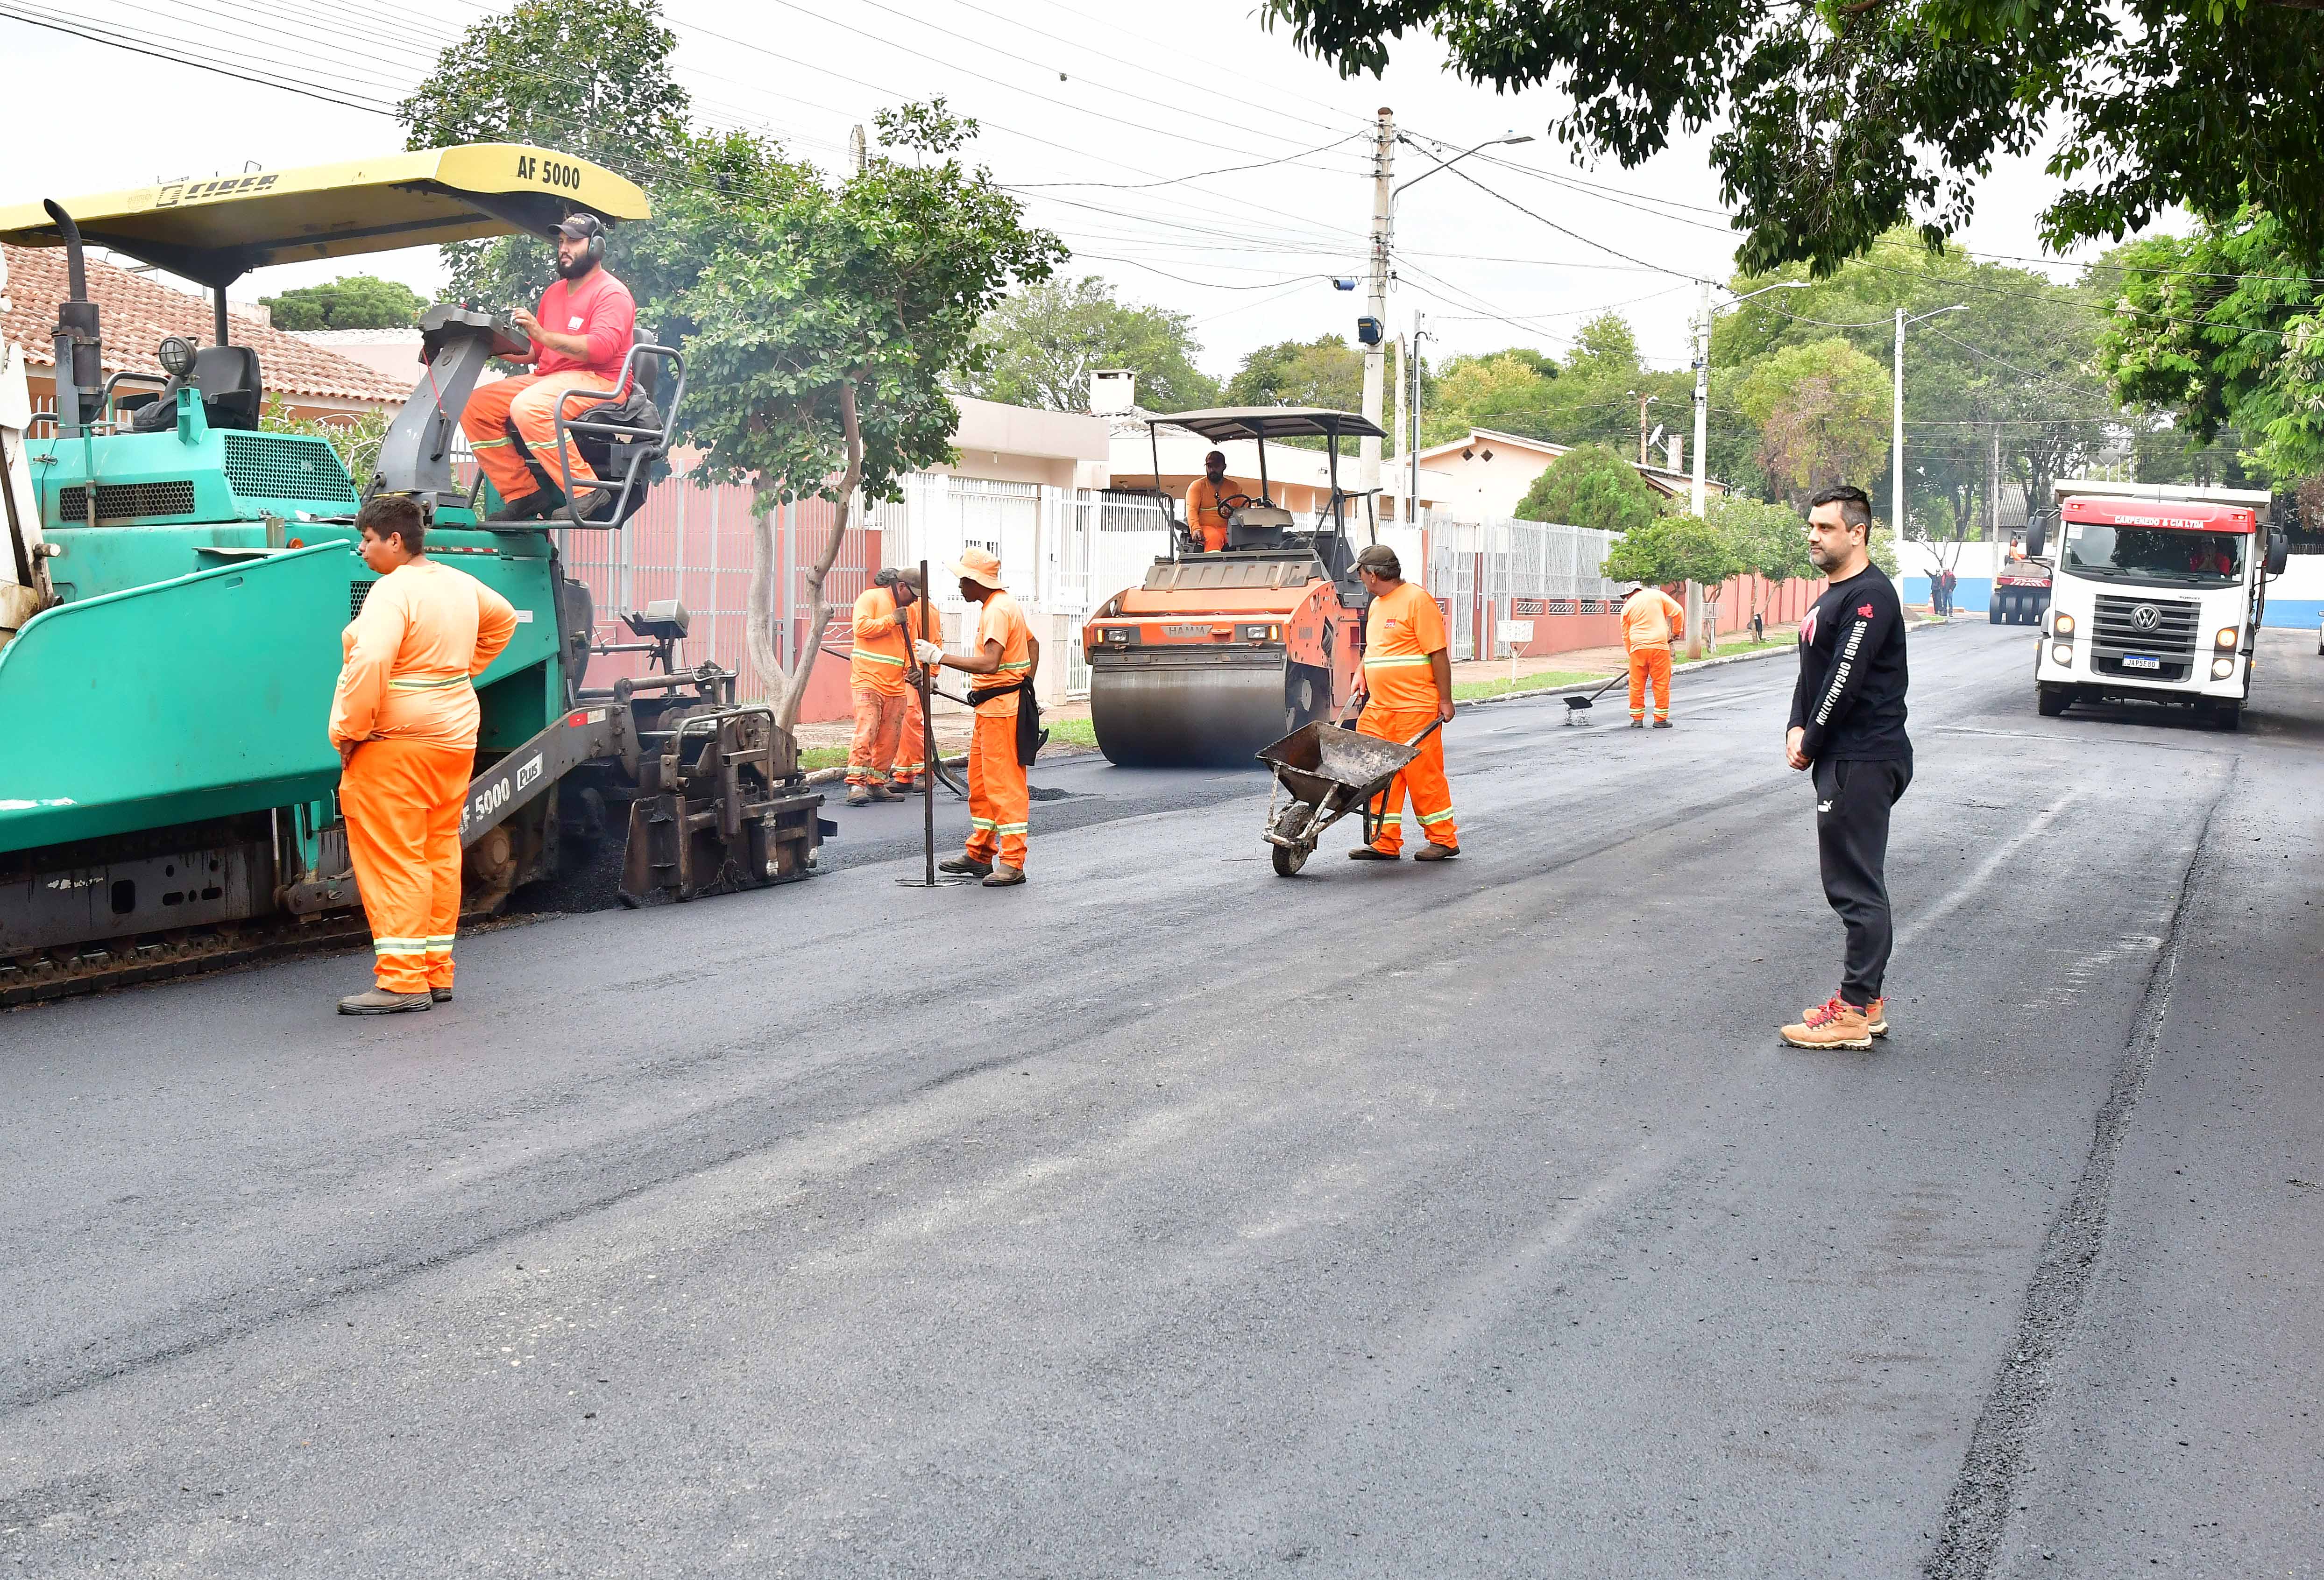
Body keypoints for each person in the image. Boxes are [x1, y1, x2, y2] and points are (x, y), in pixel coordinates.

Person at [329, 495, 518, 1015]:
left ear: (395, 540)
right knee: (438, 850)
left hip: (395, 743)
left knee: (396, 857)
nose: (361, 548)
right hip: (454, 736)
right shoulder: (458, 582)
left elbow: (369, 661)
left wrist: (349, 731)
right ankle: (435, 973)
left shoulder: (392, 592)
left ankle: (401, 983)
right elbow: (503, 620)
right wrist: (458, 672)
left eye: (368, 539)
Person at [1781, 484, 1912, 1051]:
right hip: (1845, 754)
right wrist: (1793, 724)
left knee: (1854, 885)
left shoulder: (1869, 597)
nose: (1813, 535)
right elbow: (1811, 671)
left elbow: (1844, 679)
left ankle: (1854, 1012)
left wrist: (1810, 739)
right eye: (1811, 526)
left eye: (1825, 527)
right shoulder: (1832, 596)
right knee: (1856, 878)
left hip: (1861, 756)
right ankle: (1869, 1001)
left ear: (1857, 533)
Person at [458, 212, 638, 523]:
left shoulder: (612, 293)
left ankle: (586, 492)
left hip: (601, 380)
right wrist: (488, 348)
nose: (564, 248)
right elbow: (535, 352)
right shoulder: (554, 293)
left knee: (529, 407)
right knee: (475, 406)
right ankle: (523, 494)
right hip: (551, 378)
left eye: (573, 242)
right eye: (561, 242)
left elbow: (601, 348)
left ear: (596, 247)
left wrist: (542, 334)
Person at [921, 548, 1039, 887]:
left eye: (963, 579)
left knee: (1004, 788)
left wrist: (940, 656)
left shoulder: (998, 611)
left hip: (1002, 712)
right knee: (982, 785)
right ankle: (980, 854)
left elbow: (990, 663)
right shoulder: (999, 606)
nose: (959, 585)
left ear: (976, 582)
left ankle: (1013, 862)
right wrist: (1025, 684)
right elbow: (1034, 645)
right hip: (991, 710)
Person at [1347, 543, 1459, 862]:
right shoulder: (1377, 605)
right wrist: (1361, 671)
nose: (1361, 579)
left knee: (1424, 775)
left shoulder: (1417, 601)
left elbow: (1438, 654)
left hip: (1415, 706)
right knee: (1378, 773)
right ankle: (1385, 841)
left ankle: (1444, 839)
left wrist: (1446, 700)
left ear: (1373, 574)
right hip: (1380, 706)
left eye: (1362, 573)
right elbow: (1376, 649)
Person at [844, 568, 924, 806]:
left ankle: (876, 783)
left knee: (890, 738)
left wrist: (914, 669)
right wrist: (892, 620)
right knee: (867, 731)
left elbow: (907, 645)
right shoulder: (870, 599)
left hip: (895, 685)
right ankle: (856, 785)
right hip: (868, 680)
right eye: (913, 594)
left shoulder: (909, 612)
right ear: (901, 587)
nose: (916, 599)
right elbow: (862, 629)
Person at [1621, 579, 1686, 728]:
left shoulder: (1627, 608)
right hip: (1659, 647)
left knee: (1637, 684)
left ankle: (1637, 719)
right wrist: (1676, 632)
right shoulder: (1658, 595)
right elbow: (1679, 612)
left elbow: (1625, 635)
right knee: (1661, 683)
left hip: (1638, 648)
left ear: (1630, 594)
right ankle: (1660, 719)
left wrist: (1632, 653)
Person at [1184, 451, 1238, 552]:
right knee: (1214, 538)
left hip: (1229, 529)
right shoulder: (1197, 486)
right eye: (1210, 467)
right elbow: (1192, 510)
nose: (1213, 470)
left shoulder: (1235, 487)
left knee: (1244, 540)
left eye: (1216, 467)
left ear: (1224, 467)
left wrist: (1232, 511)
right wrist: (1196, 529)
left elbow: (1242, 511)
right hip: (1206, 528)